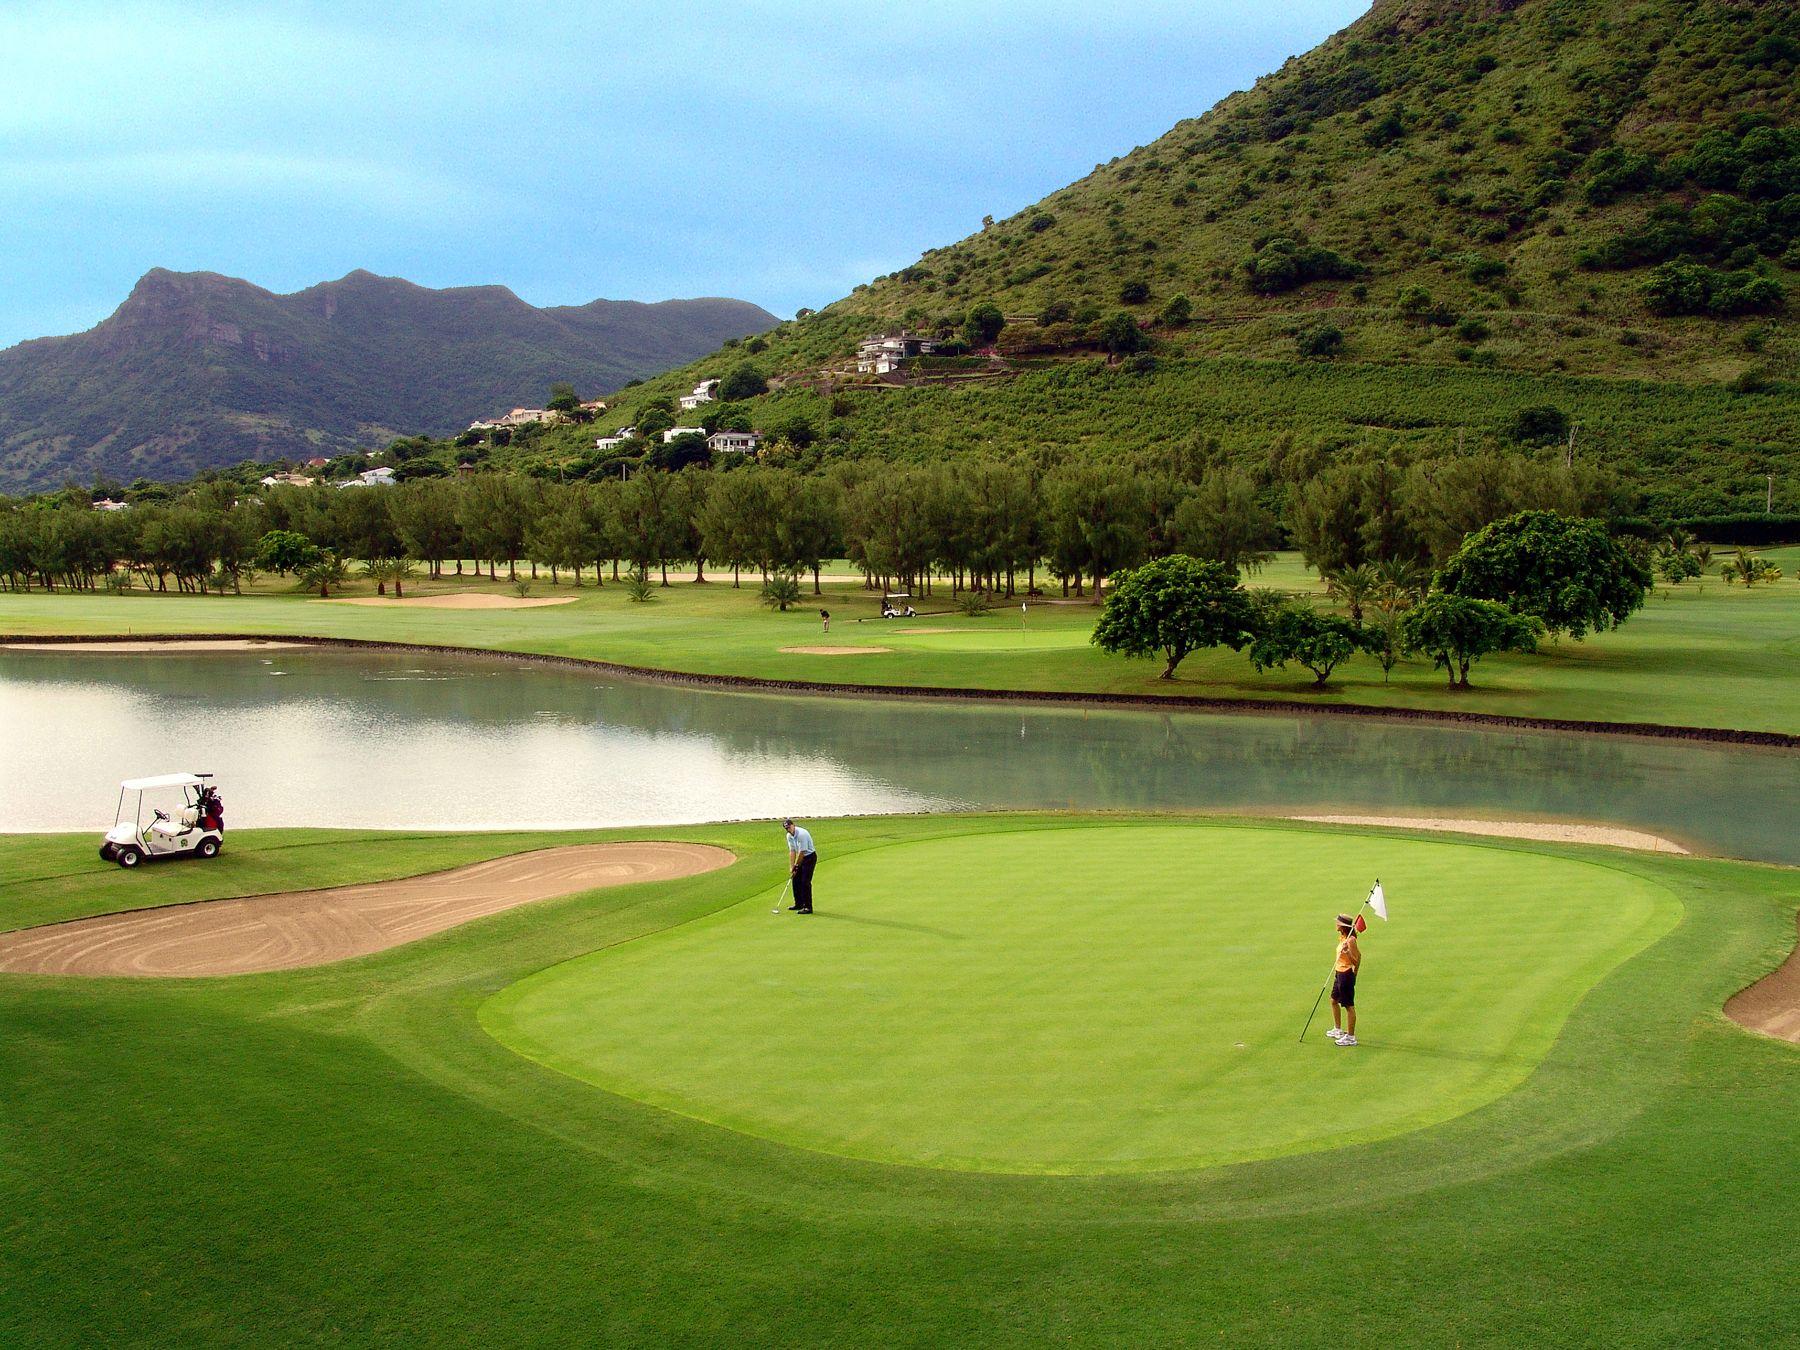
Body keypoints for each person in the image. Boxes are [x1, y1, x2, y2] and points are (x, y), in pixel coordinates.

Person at [1327, 913, 1361, 1047]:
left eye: (1338, 922)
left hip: (1346, 974)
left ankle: (1351, 1037)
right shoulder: (1343, 937)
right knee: (1333, 1000)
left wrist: (1347, 953)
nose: (1336, 924)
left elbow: (1356, 959)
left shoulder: (1350, 940)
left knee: (1348, 1005)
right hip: (1339, 972)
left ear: (1343, 926)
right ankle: (1338, 1029)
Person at [783, 818, 817, 914]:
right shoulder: (789, 836)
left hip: (809, 858)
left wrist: (796, 866)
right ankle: (799, 904)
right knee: (796, 880)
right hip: (800, 857)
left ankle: (808, 907)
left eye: (789, 827)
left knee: (805, 882)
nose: (788, 830)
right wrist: (792, 866)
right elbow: (792, 851)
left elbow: (802, 852)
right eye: (786, 828)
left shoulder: (802, 834)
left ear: (793, 825)